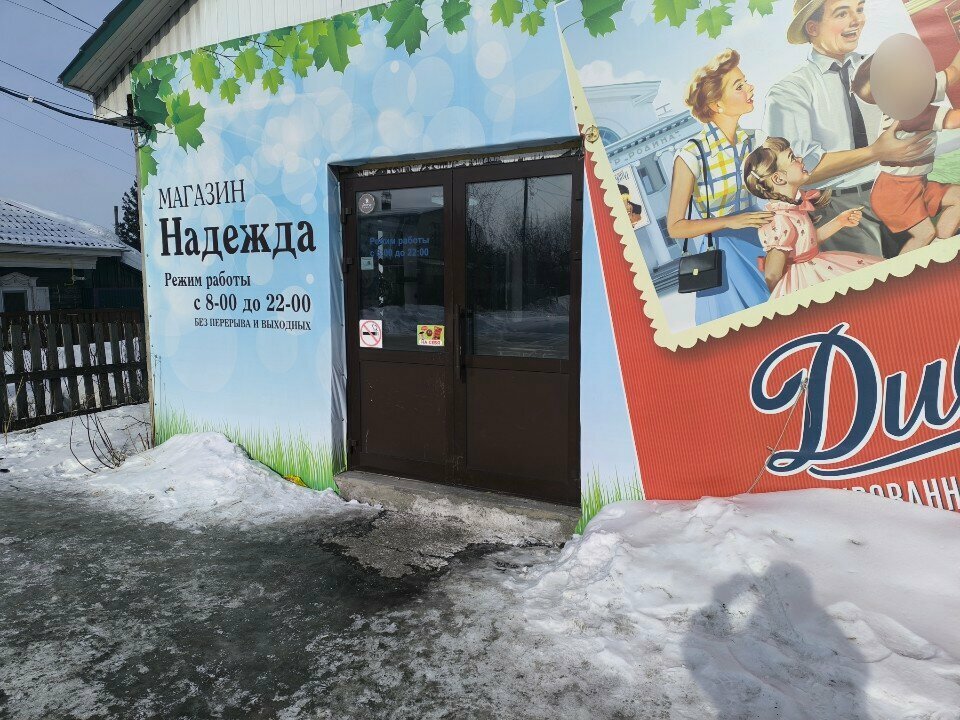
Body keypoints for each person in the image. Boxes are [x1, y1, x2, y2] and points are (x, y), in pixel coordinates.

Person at [762, 0, 938, 258]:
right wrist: (876, 152)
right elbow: (793, 172)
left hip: (902, 190)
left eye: (859, 9)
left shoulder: (879, 67)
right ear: (812, 28)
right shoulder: (789, 92)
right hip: (840, 208)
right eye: (842, 13)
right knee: (874, 278)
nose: (856, 20)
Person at [666, 49, 772, 325]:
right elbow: (675, 226)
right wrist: (729, 221)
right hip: (723, 253)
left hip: (764, 239)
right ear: (717, 104)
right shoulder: (692, 155)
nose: (750, 88)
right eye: (739, 86)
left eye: (745, 81)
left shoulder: (756, 140)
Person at [852, 39, 960, 254]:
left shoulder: (916, 91)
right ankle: (911, 266)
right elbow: (954, 120)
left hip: (913, 185)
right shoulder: (909, 112)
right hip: (894, 193)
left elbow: (953, 72)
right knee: (924, 234)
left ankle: (943, 250)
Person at [744, 137, 881, 298]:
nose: (800, 159)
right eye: (792, 158)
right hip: (801, 282)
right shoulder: (779, 220)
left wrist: (839, 221)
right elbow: (772, 274)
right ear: (778, 178)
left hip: (817, 265)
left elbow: (808, 242)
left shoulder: (794, 208)